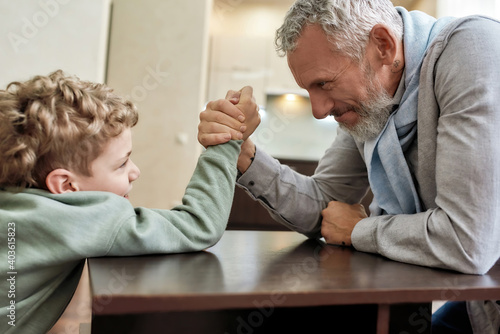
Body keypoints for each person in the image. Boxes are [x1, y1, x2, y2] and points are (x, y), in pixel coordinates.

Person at [198, 0, 500, 333]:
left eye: (324, 84)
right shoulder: (374, 104)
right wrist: (245, 155)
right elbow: (325, 207)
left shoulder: (473, 49)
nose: (317, 110)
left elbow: (468, 241)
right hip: (479, 302)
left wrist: (360, 230)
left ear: (382, 46)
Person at [0, 70, 259, 334]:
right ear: (66, 185)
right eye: (122, 164)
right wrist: (228, 141)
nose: (135, 172)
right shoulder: (82, 218)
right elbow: (199, 224)